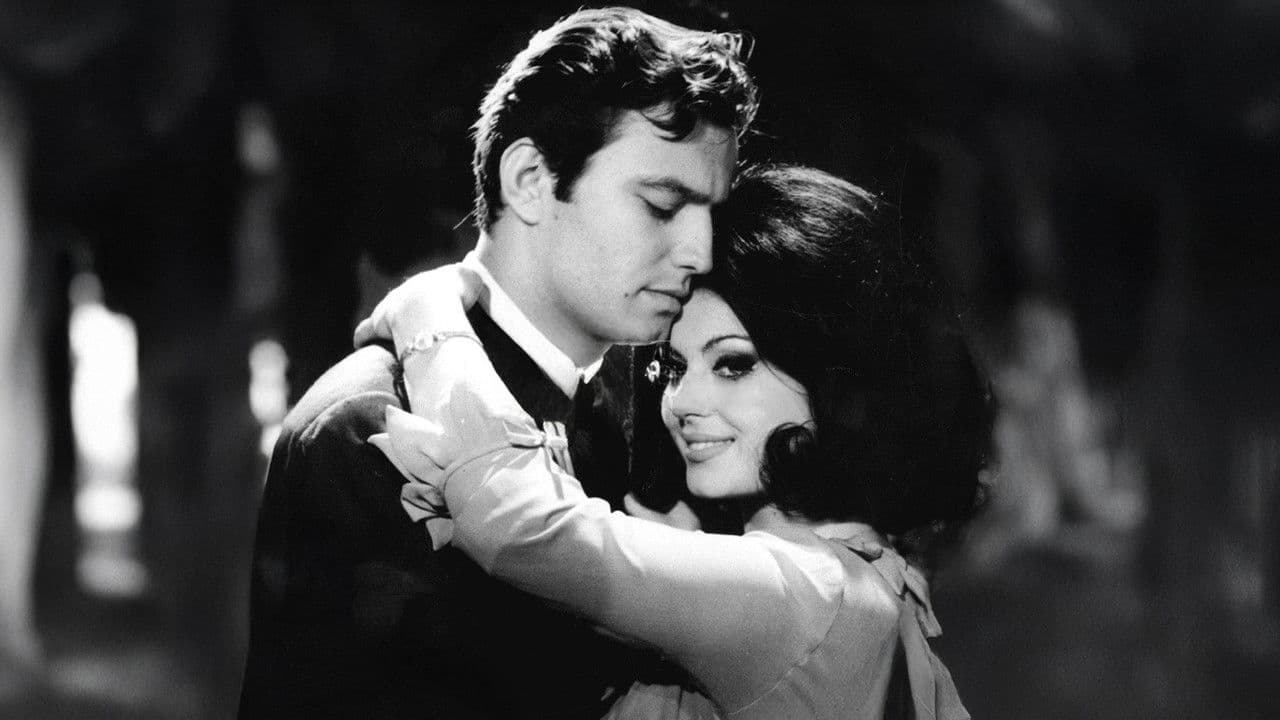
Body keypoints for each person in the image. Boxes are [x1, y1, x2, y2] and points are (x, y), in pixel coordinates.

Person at [238, 7, 757, 719]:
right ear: (530, 179)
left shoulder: (660, 411)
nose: (699, 252)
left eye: (711, 214)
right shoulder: (367, 427)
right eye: (662, 205)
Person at [361, 164, 993, 719]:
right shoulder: (857, 575)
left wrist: (427, 311)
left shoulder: (797, 597)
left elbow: (517, 525)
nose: (681, 402)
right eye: (674, 366)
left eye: (733, 364)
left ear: (839, 381)